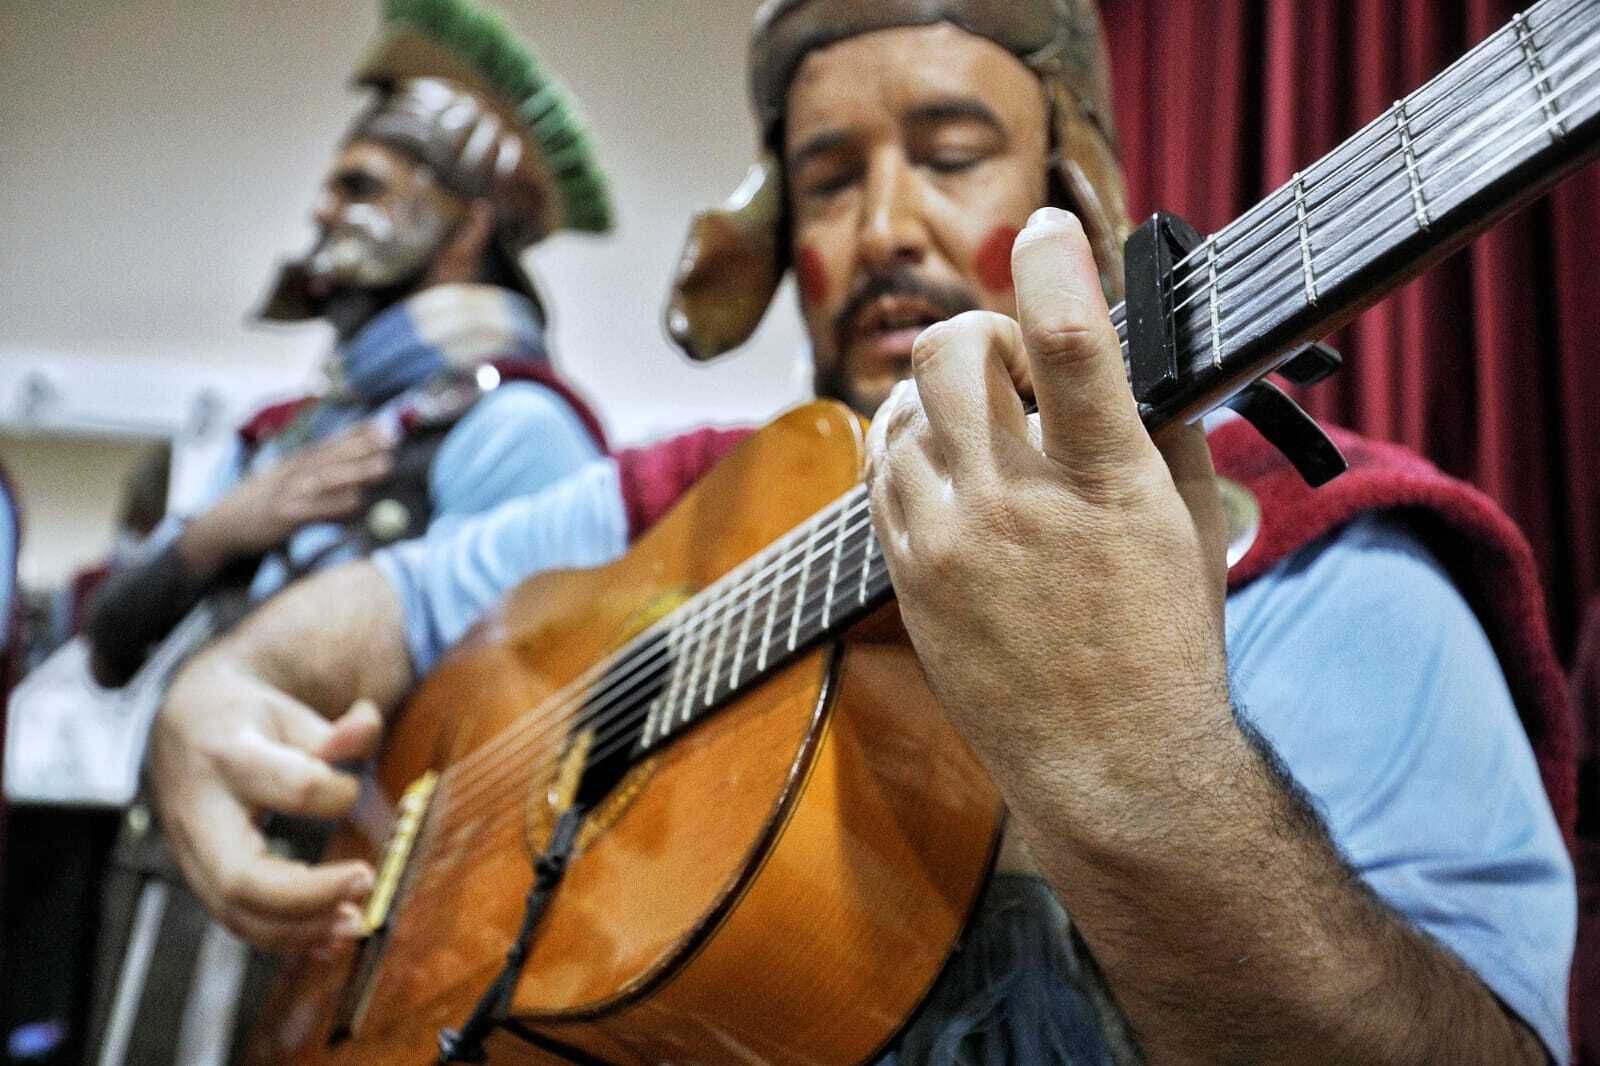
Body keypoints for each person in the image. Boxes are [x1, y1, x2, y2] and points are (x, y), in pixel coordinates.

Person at [149, 1, 1577, 1062]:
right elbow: (369, 615)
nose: (886, 223)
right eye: (829, 178)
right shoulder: (689, 492)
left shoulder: (1337, 567)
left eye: (951, 155)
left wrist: (1156, 776)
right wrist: (215, 694)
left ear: (1070, 194)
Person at [70, 0, 616, 1061]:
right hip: (167, 882)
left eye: (362, 182)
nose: (324, 206)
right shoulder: (282, 435)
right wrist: (217, 532)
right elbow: (107, 640)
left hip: (334, 936)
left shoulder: (519, 427)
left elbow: (524, 746)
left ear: (465, 223)